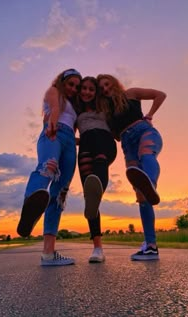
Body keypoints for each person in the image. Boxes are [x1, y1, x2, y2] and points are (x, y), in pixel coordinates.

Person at [97, 74, 166, 261]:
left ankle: (150, 183)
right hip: (127, 146)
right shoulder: (107, 114)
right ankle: (151, 247)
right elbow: (115, 137)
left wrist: (150, 114)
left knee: (147, 155)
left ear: (113, 83)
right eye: (101, 88)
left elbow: (160, 94)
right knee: (142, 197)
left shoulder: (131, 93)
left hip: (144, 131)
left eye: (106, 84)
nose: (104, 89)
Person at [17, 68, 82, 266]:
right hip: (52, 133)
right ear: (62, 82)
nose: (73, 89)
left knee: (60, 194)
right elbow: (54, 110)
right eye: (70, 84)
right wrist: (52, 126)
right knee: (48, 167)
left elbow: (72, 129)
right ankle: (31, 202)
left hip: (70, 141)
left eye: (76, 86)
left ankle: (48, 254)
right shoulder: (54, 91)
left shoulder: (75, 105)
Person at [76, 76, 117, 263]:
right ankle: (97, 249)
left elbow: (121, 112)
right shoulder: (77, 110)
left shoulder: (105, 105)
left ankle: (96, 190)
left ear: (96, 91)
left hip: (104, 143)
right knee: (90, 198)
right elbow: (69, 130)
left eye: (91, 89)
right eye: (83, 88)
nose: (86, 92)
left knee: (99, 166)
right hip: (85, 146)